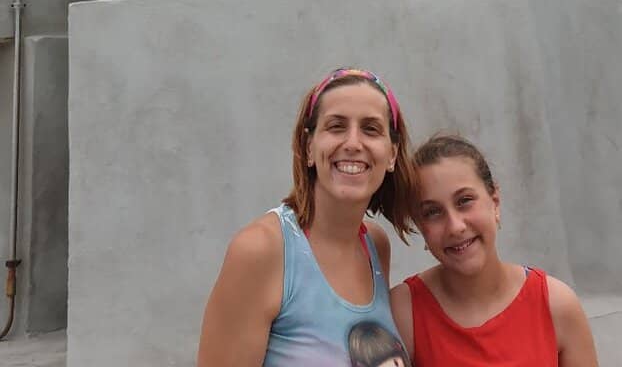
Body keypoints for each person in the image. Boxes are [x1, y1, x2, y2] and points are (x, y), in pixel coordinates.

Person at [196, 67, 414, 367]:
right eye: (336, 126)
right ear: (309, 147)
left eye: (371, 129)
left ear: (391, 153)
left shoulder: (375, 245)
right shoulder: (262, 250)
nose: (353, 143)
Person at [390, 133, 599, 367]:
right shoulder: (403, 312)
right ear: (421, 226)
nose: (456, 226)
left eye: (465, 200)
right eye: (432, 212)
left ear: (495, 202)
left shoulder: (557, 305)